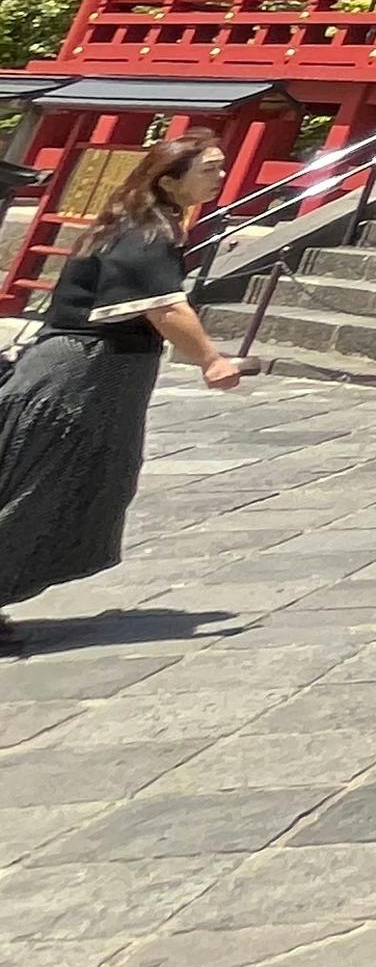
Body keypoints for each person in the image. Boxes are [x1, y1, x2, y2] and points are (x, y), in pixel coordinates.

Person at [0, 132, 246, 653]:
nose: (220, 178)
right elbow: (166, 308)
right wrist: (211, 358)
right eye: (210, 169)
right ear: (169, 179)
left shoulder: (141, 222)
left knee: (65, 488)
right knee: (37, 491)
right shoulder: (145, 233)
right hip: (80, 378)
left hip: (96, 377)